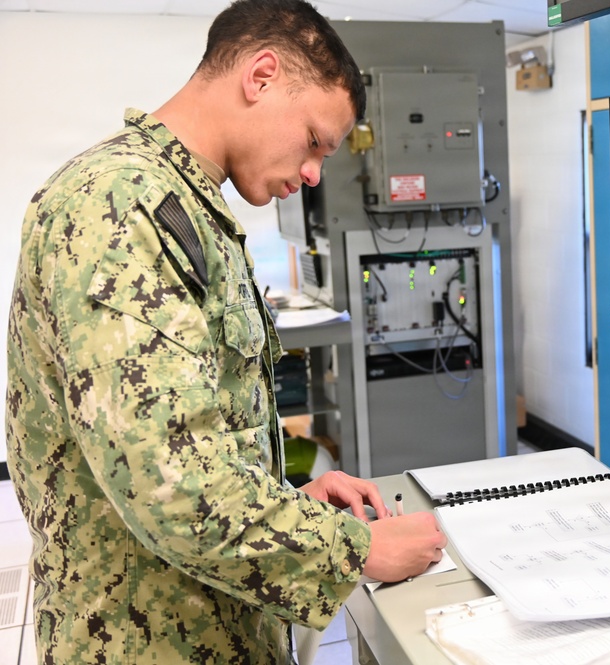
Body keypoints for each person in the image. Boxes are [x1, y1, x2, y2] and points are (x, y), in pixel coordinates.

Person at [5, 1, 447, 662]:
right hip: (147, 640)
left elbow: (185, 435)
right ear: (261, 76)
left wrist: (285, 496)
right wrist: (357, 548)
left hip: (206, 620)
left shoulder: (186, 208)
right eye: (313, 141)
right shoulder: (120, 207)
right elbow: (169, 485)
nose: (311, 175)